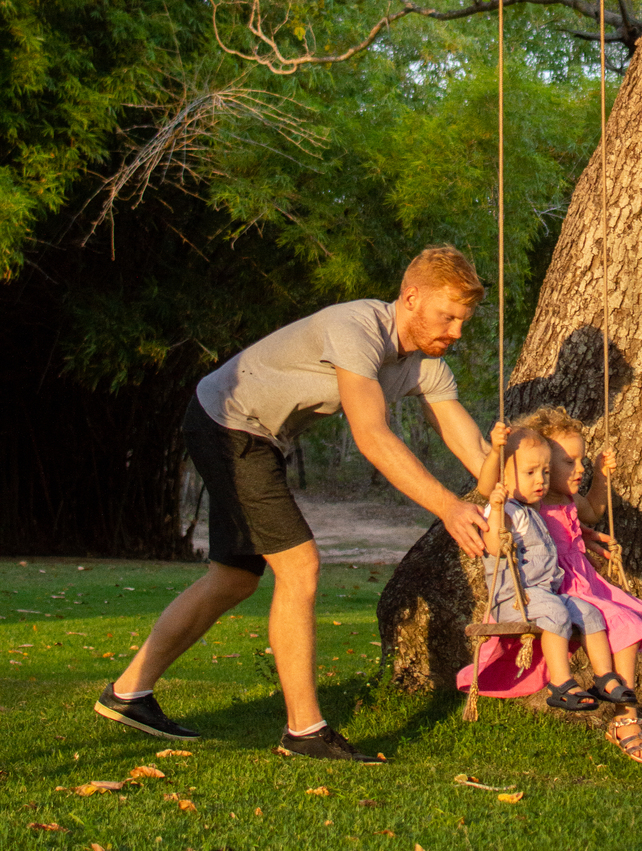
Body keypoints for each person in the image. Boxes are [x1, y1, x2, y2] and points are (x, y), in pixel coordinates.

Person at [96, 244, 492, 761]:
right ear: (412, 298)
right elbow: (371, 436)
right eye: (448, 317)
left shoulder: (425, 365)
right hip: (228, 424)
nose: (456, 332)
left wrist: (518, 486)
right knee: (300, 566)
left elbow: (472, 446)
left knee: (233, 579)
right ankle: (304, 730)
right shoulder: (357, 328)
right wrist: (449, 507)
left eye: (463, 321)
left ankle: (128, 693)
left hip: (255, 438)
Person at [460, 409, 642, 769]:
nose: (578, 469)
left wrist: (601, 478)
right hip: (562, 587)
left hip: (590, 582)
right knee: (626, 626)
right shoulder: (532, 500)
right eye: (568, 461)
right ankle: (624, 720)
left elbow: (592, 511)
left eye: (581, 461)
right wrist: (497, 451)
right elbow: (491, 489)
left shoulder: (563, 499)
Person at [476, 426, 636, 713]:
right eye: (530, 472)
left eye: (546, 472)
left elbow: (583, 512)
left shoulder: (533, 507)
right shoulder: (505, 510)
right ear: (503, 477)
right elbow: (495, 546)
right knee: (556, 612)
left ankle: (604, 678)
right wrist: (496, 503)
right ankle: (560, 684)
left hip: (543, 594)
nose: (541, 480)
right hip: (513, 599)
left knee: (589, 613)